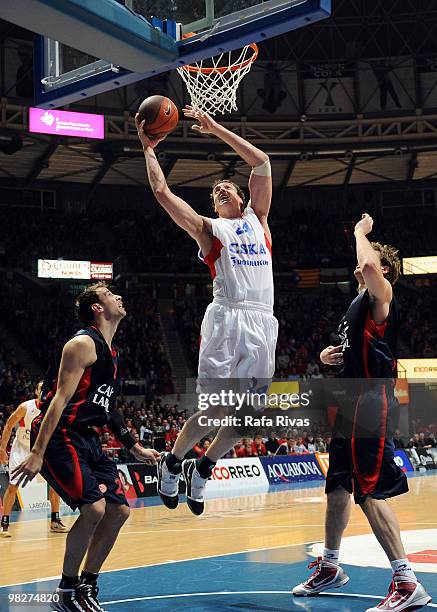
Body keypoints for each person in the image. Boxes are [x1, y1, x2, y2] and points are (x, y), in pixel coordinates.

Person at [136, 106, 278, 516]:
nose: (220, 191)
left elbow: (262, 161)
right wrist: (149, 149)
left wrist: (216, 129)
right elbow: (163, 193)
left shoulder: (259, 220)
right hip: (228, 319)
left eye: (226, 188)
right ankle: (173, 460)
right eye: (214, 192)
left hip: (262, 320)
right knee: (214, 409)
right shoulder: (209, 229)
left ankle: (204, 466)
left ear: (241, 196)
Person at [292, 215, 431, 611]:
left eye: (371, 261)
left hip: (372, 401)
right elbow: (354, 351)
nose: (362, 263)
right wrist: (328, 356)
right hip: (351, 400)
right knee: (338, 486)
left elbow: (369, 266)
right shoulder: (355, 306)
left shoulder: (380, 293)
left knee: (369, 492)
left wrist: (359, 233)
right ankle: (331, 567)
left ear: (385, 269)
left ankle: (407, 582)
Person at [11, 282, 160, 612]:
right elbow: (59, 400)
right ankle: (66, 592)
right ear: (97, 307)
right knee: (94, 509)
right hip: (62, 437)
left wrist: (133, 447)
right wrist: (37, 452)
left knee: (119, 510)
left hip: (89, 439)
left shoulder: (111, 352)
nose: (118, 296)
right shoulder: (81, 344)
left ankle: (87, 584)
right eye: (109, 294)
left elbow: (108, 405)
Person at [0, 381, 68, 537]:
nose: (43, 391)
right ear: (36, 392)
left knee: (55, 485)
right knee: (13, 486)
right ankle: (4, 523)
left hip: (42, 449)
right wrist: (2, 450)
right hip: (22, 449)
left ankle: (55, 521)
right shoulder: (25, 407)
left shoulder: (54, 409)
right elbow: (9, 425)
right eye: (40, 388)